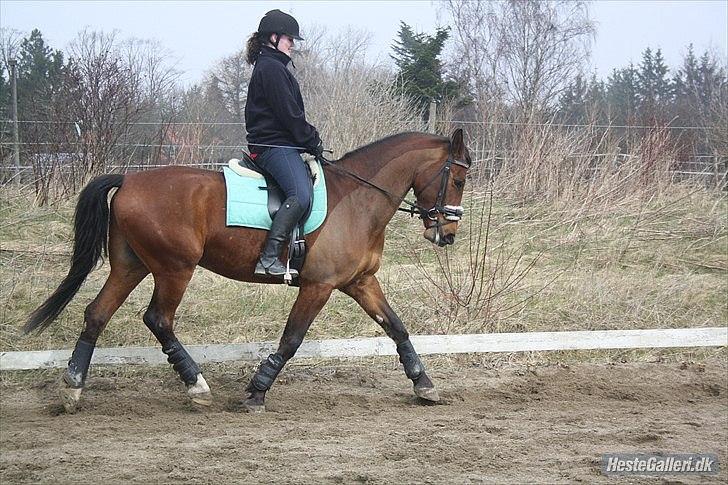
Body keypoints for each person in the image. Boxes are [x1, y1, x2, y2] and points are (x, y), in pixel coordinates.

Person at [245, 9, 324, 278]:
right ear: (274, 37)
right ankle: (269, 257)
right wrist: (311, 139)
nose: (293, 44)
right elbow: (289, 115)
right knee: (300, 194)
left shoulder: (273, 66)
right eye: (289, 39)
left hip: (280, 144)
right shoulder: (271, 68)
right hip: (273, 146)